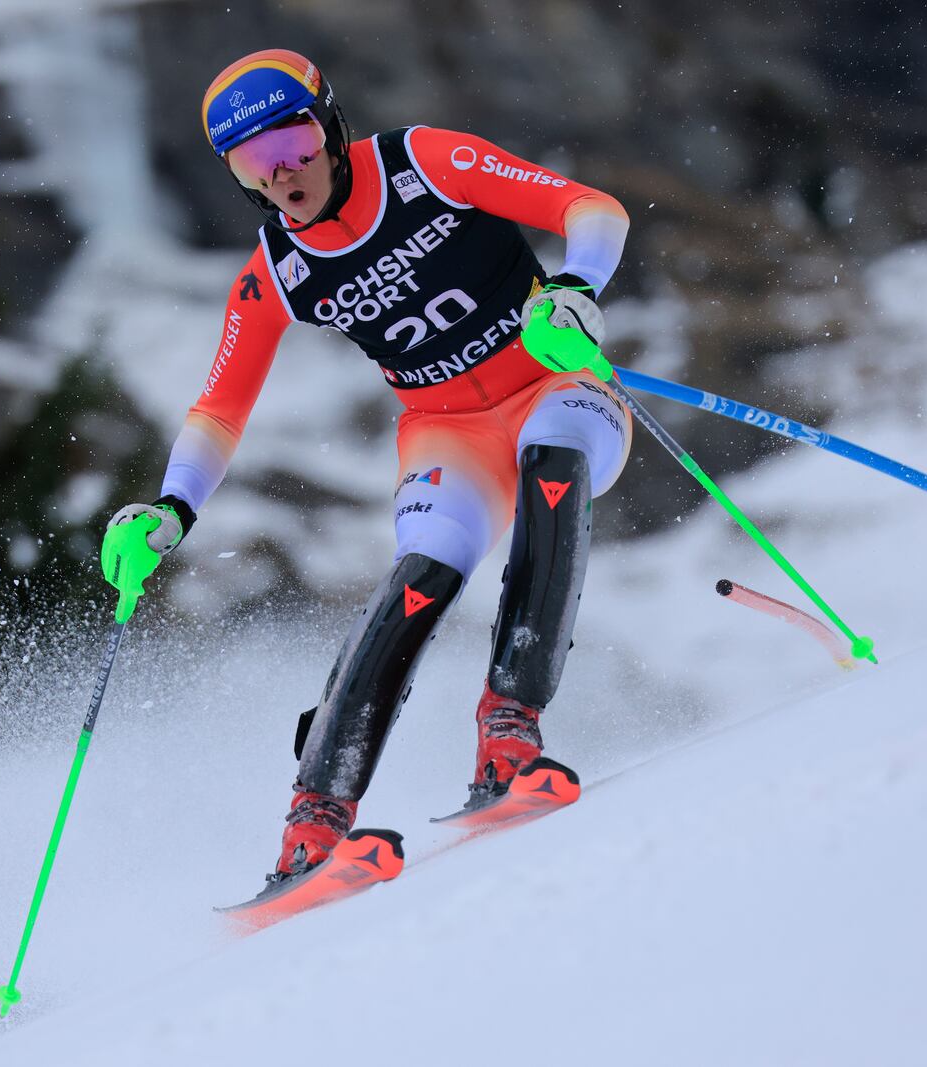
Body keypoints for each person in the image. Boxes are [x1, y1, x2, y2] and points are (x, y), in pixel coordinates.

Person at [100, 49, 632, 886]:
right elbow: (220, 407)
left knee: (552, 463)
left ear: (331, 127)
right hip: (445, 427)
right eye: (252, 163)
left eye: (294, 143)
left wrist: (575, 288)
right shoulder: (278, 269)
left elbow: (591, 209)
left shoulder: (426, 163)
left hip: (554, 382)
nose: (282, 175)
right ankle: (312, 823)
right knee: (421, 575)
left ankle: (508, 731)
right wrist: (170, 509)